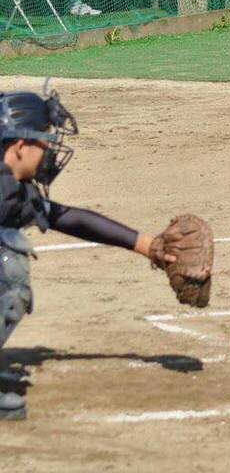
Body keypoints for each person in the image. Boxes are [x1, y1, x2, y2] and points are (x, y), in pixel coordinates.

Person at [0, 88, 211, 420]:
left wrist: (147, 246)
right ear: (20, 146)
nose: (49, 152)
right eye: (43, 142)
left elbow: (68, 218)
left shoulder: (10, 188)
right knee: (9, 269)